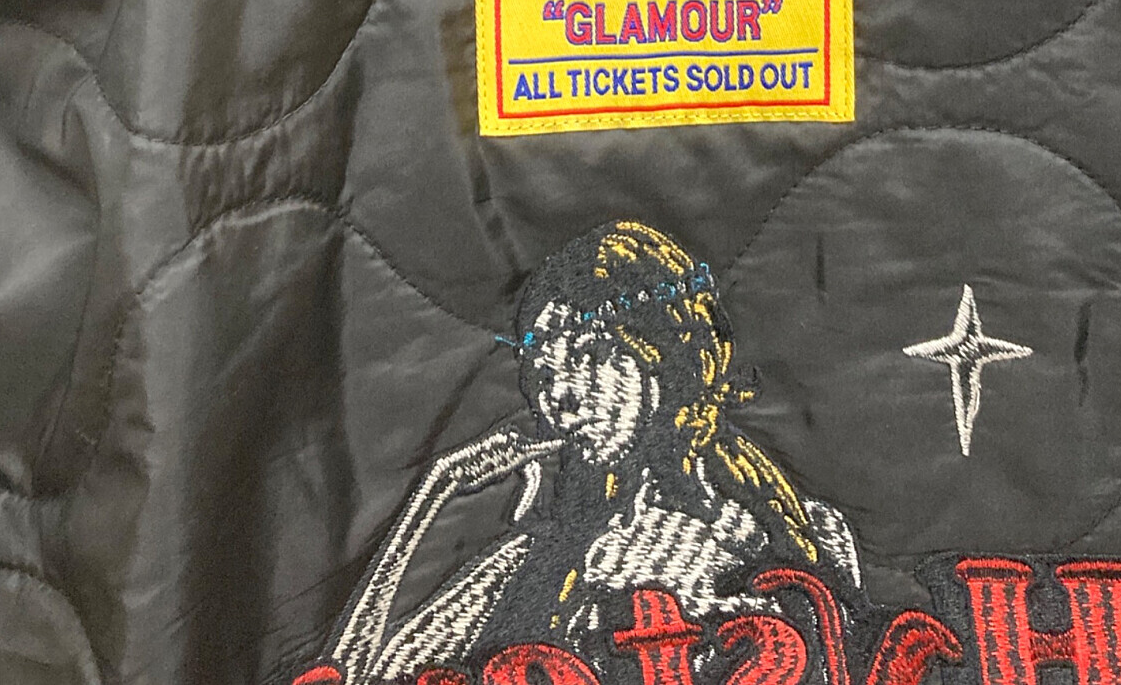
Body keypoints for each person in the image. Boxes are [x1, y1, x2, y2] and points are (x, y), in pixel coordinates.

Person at [326, 222, 863, 684]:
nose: (559, 395)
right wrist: (434, 493)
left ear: (663, 355)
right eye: (542, 372)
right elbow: (353, 672)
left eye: (588, 357)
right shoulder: (528, 566)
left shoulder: (809, 534)